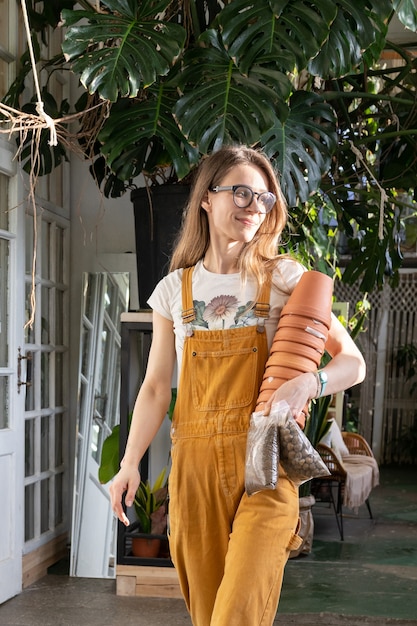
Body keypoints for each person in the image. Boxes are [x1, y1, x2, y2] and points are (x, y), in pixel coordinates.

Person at [110, 145, 366, 625]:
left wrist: (310, 381)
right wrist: (129, 463)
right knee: (209, 616)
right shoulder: (174, 290)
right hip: (195, 473)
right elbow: (155, 387)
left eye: (265, 198)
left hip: (266, 469)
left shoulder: (285, 278)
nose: (254, 206)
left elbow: (354, 363)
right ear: (207, 198)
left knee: (237, 615)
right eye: (241, 193)